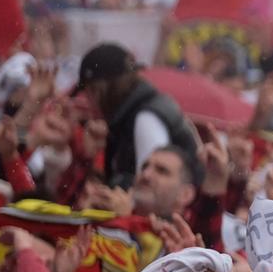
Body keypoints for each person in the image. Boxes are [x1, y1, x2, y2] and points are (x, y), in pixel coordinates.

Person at [74, 43, 198, 190]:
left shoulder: (145, 118)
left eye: (89, 92)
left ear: (100, 89)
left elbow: (151, 190)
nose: (88, 101)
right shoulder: (135, 114)